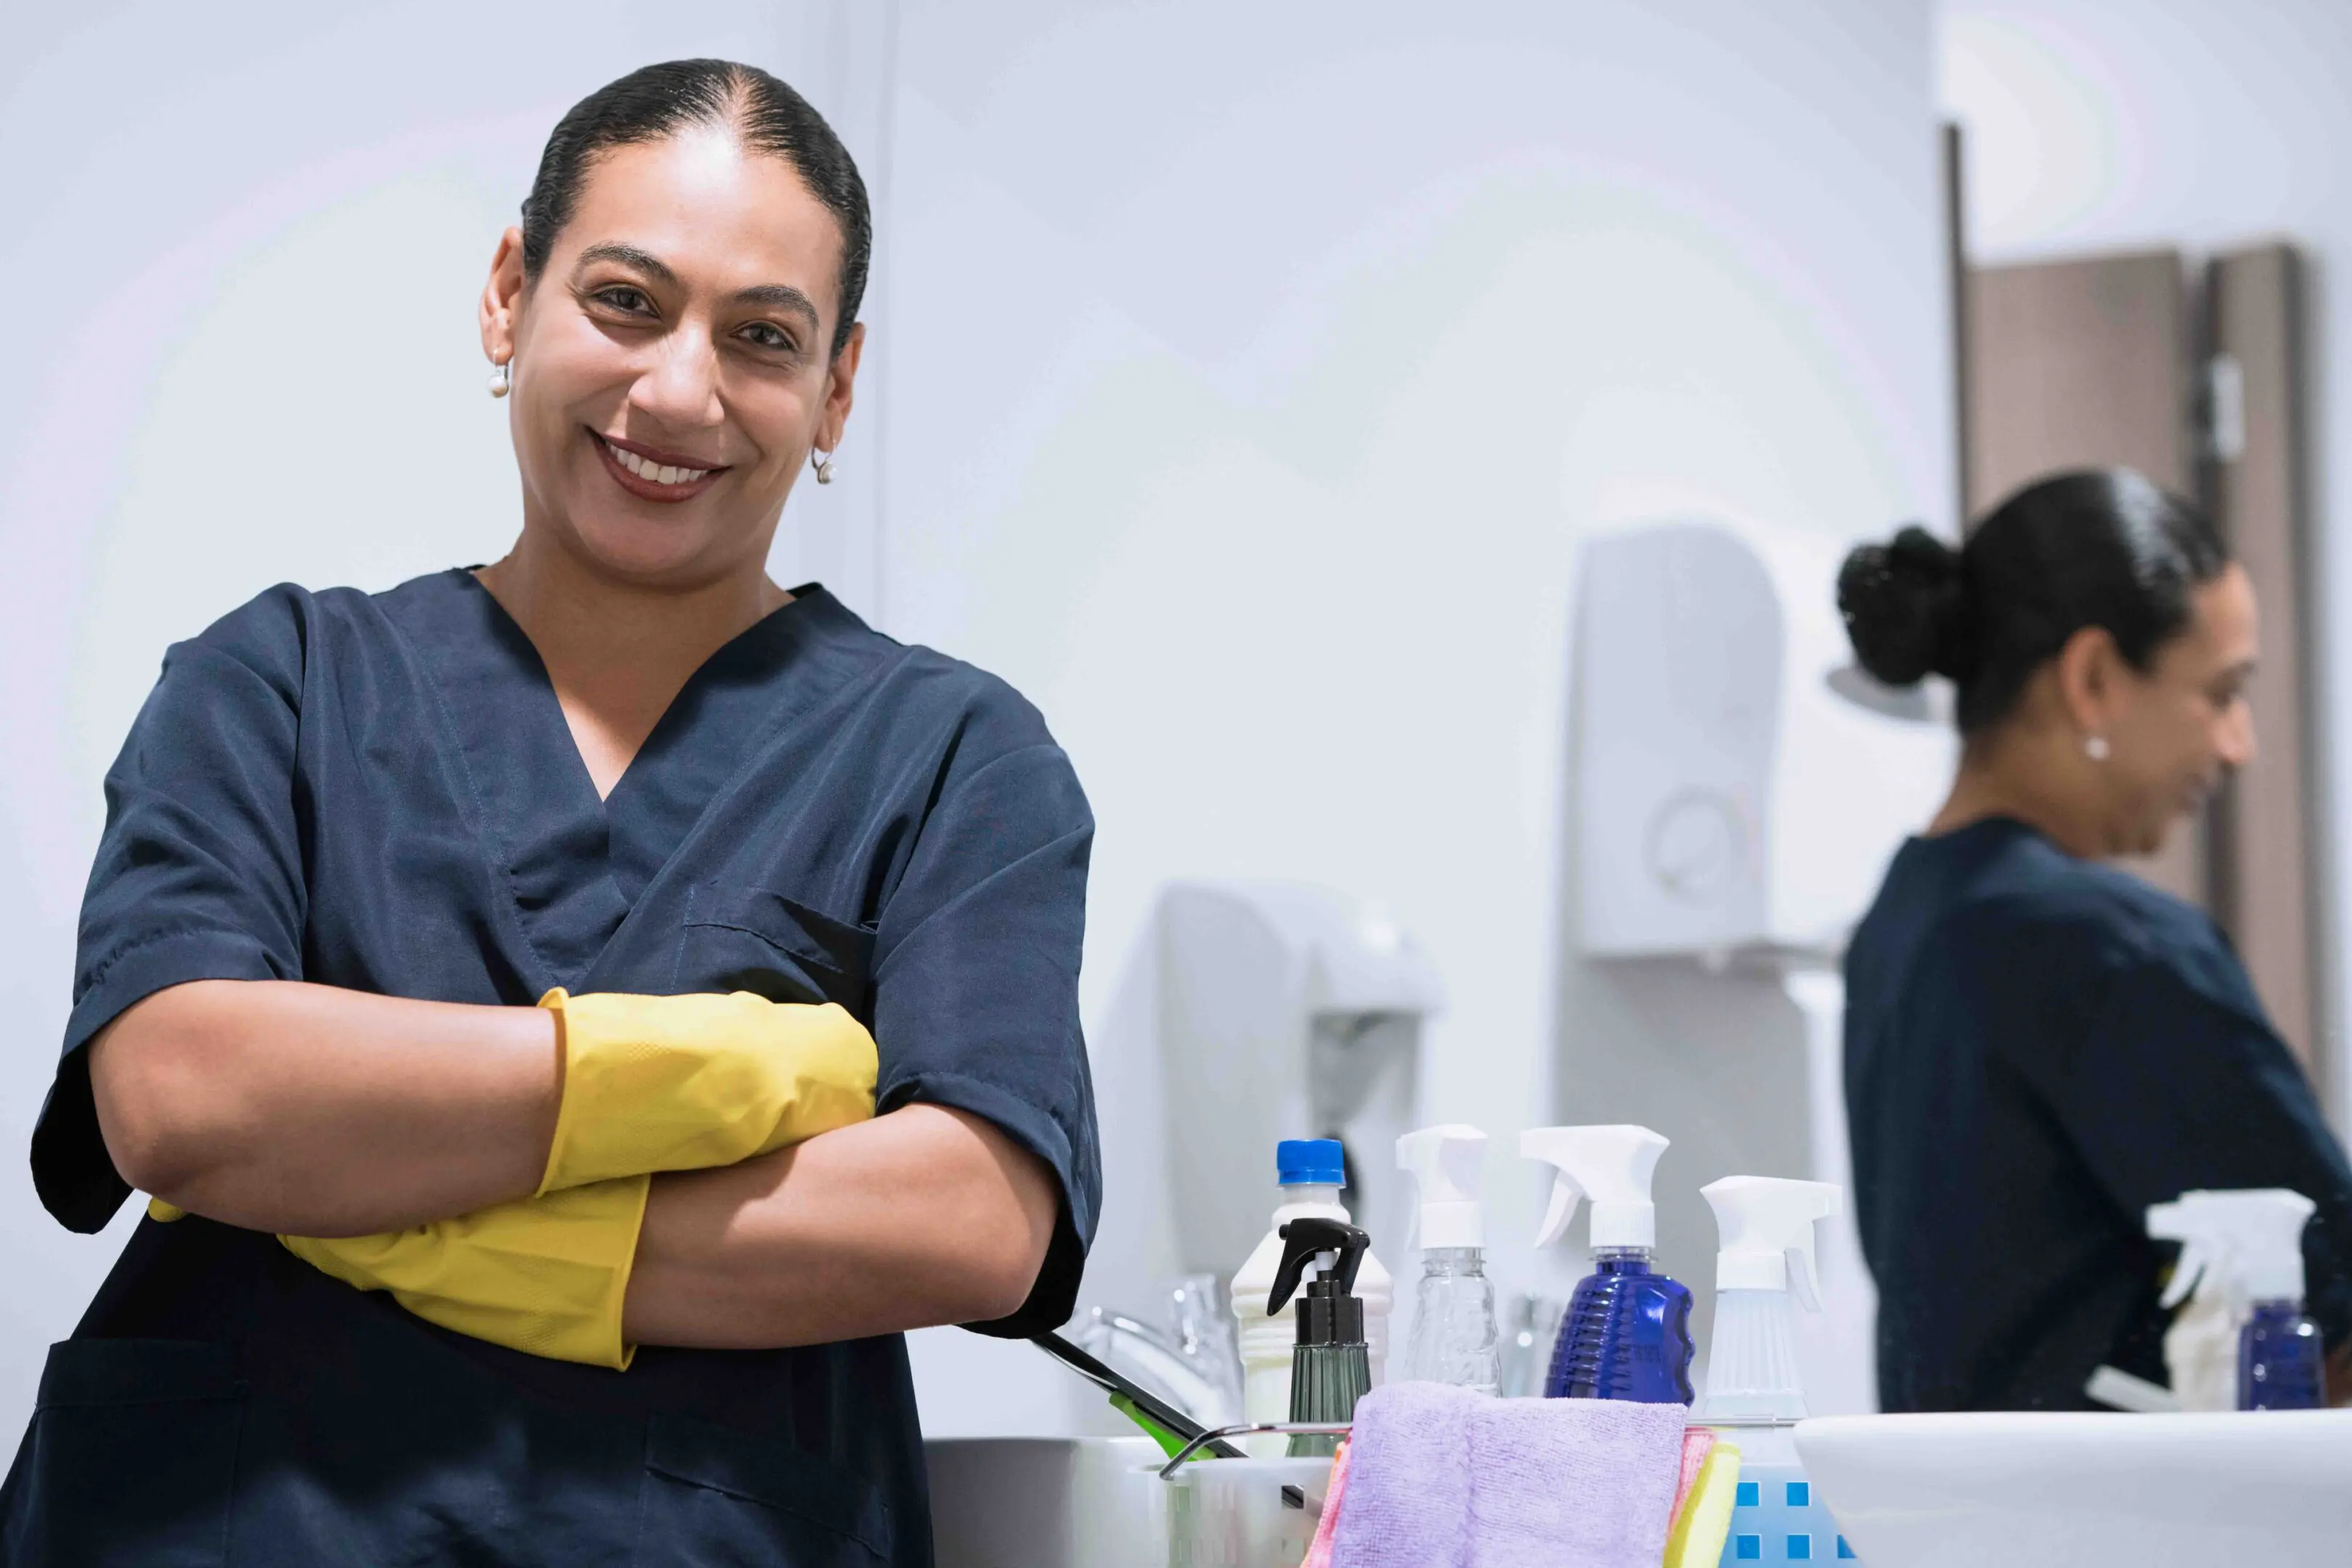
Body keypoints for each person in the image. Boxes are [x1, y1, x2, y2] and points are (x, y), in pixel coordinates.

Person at [1, 60, 1099, 1565]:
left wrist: (390, 1202)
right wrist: (711, 1068)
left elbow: (961, 1222)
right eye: (627, 302)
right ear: (509, 297)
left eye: (761, 337)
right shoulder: (283, 681)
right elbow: (186, 1094)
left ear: (834, 388)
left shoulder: (950, 758)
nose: (677, 391)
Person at [1838, 467, 2352, 1412]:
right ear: (2093, 680)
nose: (2237, 744)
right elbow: (2334, 1327)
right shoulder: (2108, 947)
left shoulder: (1899, 922)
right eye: (2220, 693)